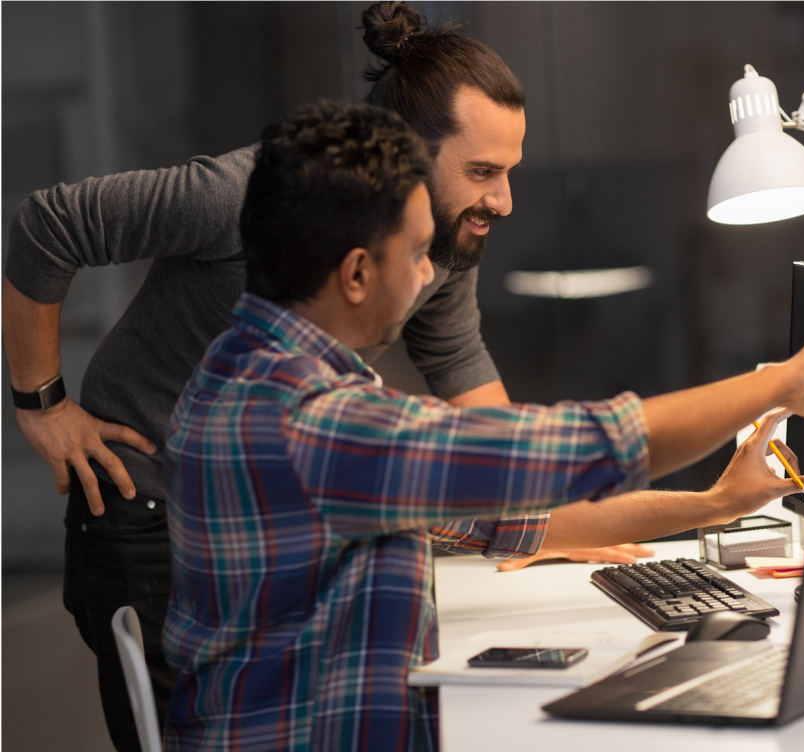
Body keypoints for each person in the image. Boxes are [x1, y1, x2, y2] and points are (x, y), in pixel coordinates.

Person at [1, 2, 708, 748]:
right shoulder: (246, 195)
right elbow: (50, 225)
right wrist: (43, 404)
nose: (502, 200)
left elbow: (459, 360)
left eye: (508, 171)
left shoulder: (440, 235)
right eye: (482, 171)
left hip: (274, 506)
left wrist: (533, 506)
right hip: (143, 497)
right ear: (404, 154)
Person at [164, 100, 804, 750]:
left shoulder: (245, 368)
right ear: (355, 273)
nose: (423, 279)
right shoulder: (312, 420)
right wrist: (778, 382)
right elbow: (584, 447)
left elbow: (510, 518)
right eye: (415, 254)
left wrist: (714, 505)